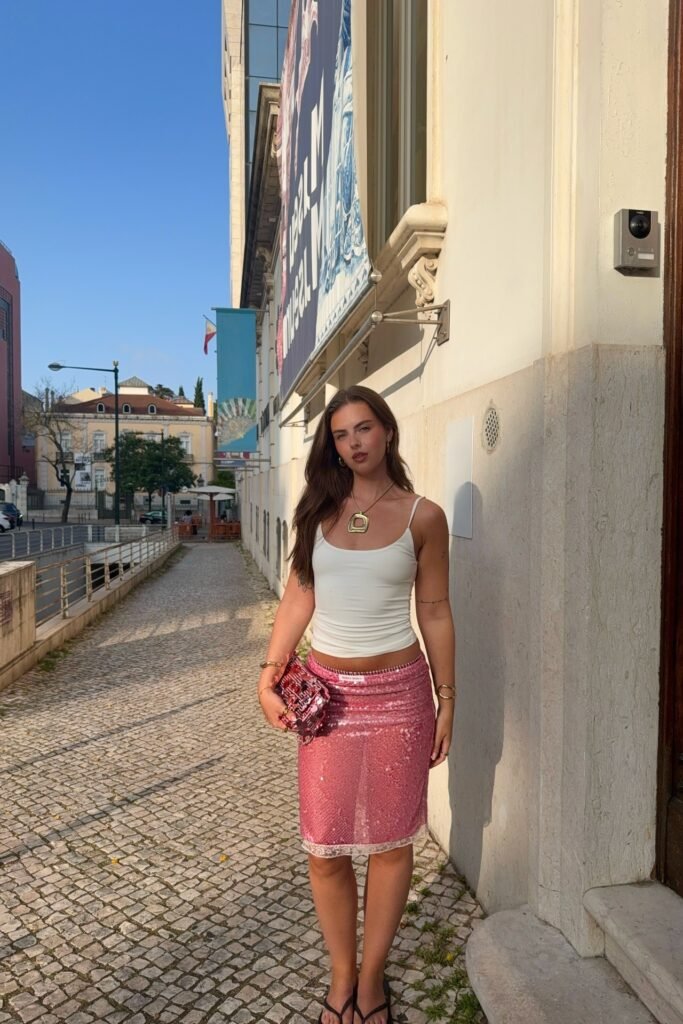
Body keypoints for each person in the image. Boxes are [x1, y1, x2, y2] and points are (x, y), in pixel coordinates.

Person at [257, 385, 455, 1024]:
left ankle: (370, 983)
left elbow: (435, 609)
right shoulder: (317, 512)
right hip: (329, 699)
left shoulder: (424, 517)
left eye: (364, 428)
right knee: (325, 847)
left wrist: (447, 698)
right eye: (341, 435)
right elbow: (299, 597)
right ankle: (341, 974)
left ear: (387, 430)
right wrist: (268, 675)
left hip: (400, 697)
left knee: (392, 845)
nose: (354, 443)